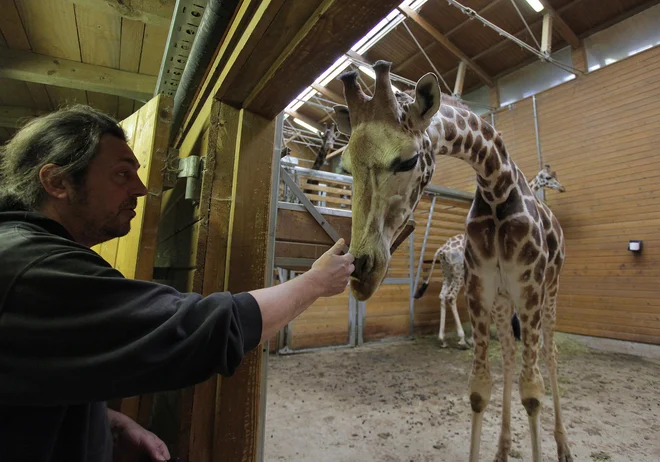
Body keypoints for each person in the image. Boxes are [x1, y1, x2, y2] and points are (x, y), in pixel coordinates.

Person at [0, 105, 355, 462]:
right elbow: (199, 329)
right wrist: (314, 283)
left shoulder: (20, 250)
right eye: (122, 174)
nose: (140, 189)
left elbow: (37, 382)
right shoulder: (33, 268)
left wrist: (107, 423)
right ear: (57, 182)